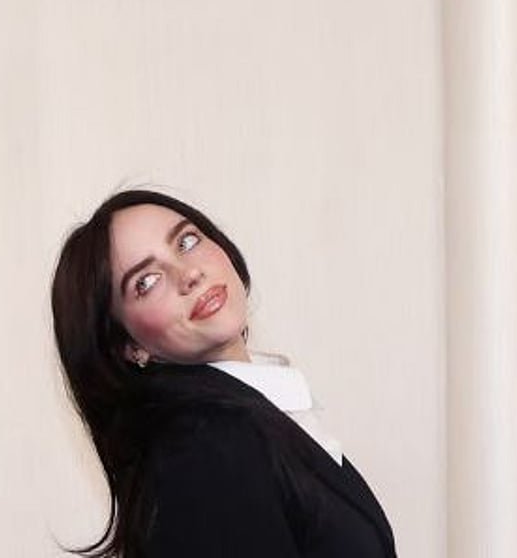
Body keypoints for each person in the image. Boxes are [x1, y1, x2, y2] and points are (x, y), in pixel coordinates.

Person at [51, 190, 396, 558]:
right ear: (129, 345)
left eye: (187, 241)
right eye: (147, 282)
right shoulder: (204, 448)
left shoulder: (245, 418)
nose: (189, 274)